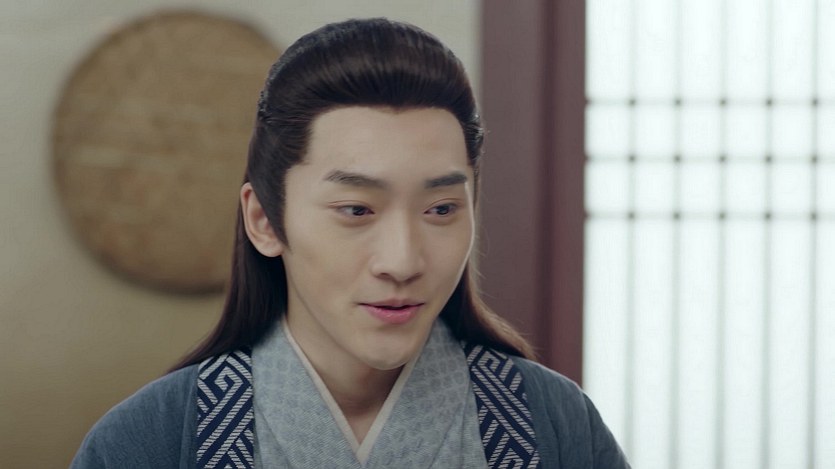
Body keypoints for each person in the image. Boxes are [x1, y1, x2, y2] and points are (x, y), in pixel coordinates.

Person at [71, 18, 630, 469]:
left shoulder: (553, 426)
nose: (402, 261)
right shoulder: (150, 441)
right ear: (264, 220)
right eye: (356, 210)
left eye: (440, 209)